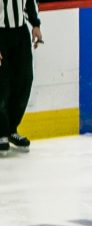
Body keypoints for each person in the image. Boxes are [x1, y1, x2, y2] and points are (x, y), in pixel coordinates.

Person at [0, 0, 43, 155]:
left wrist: (35, 25)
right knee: (2, 84)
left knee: (25, 79)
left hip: (20, 33)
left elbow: (29, 2)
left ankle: (11, 129)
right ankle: (1, 132)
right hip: (0, 35)